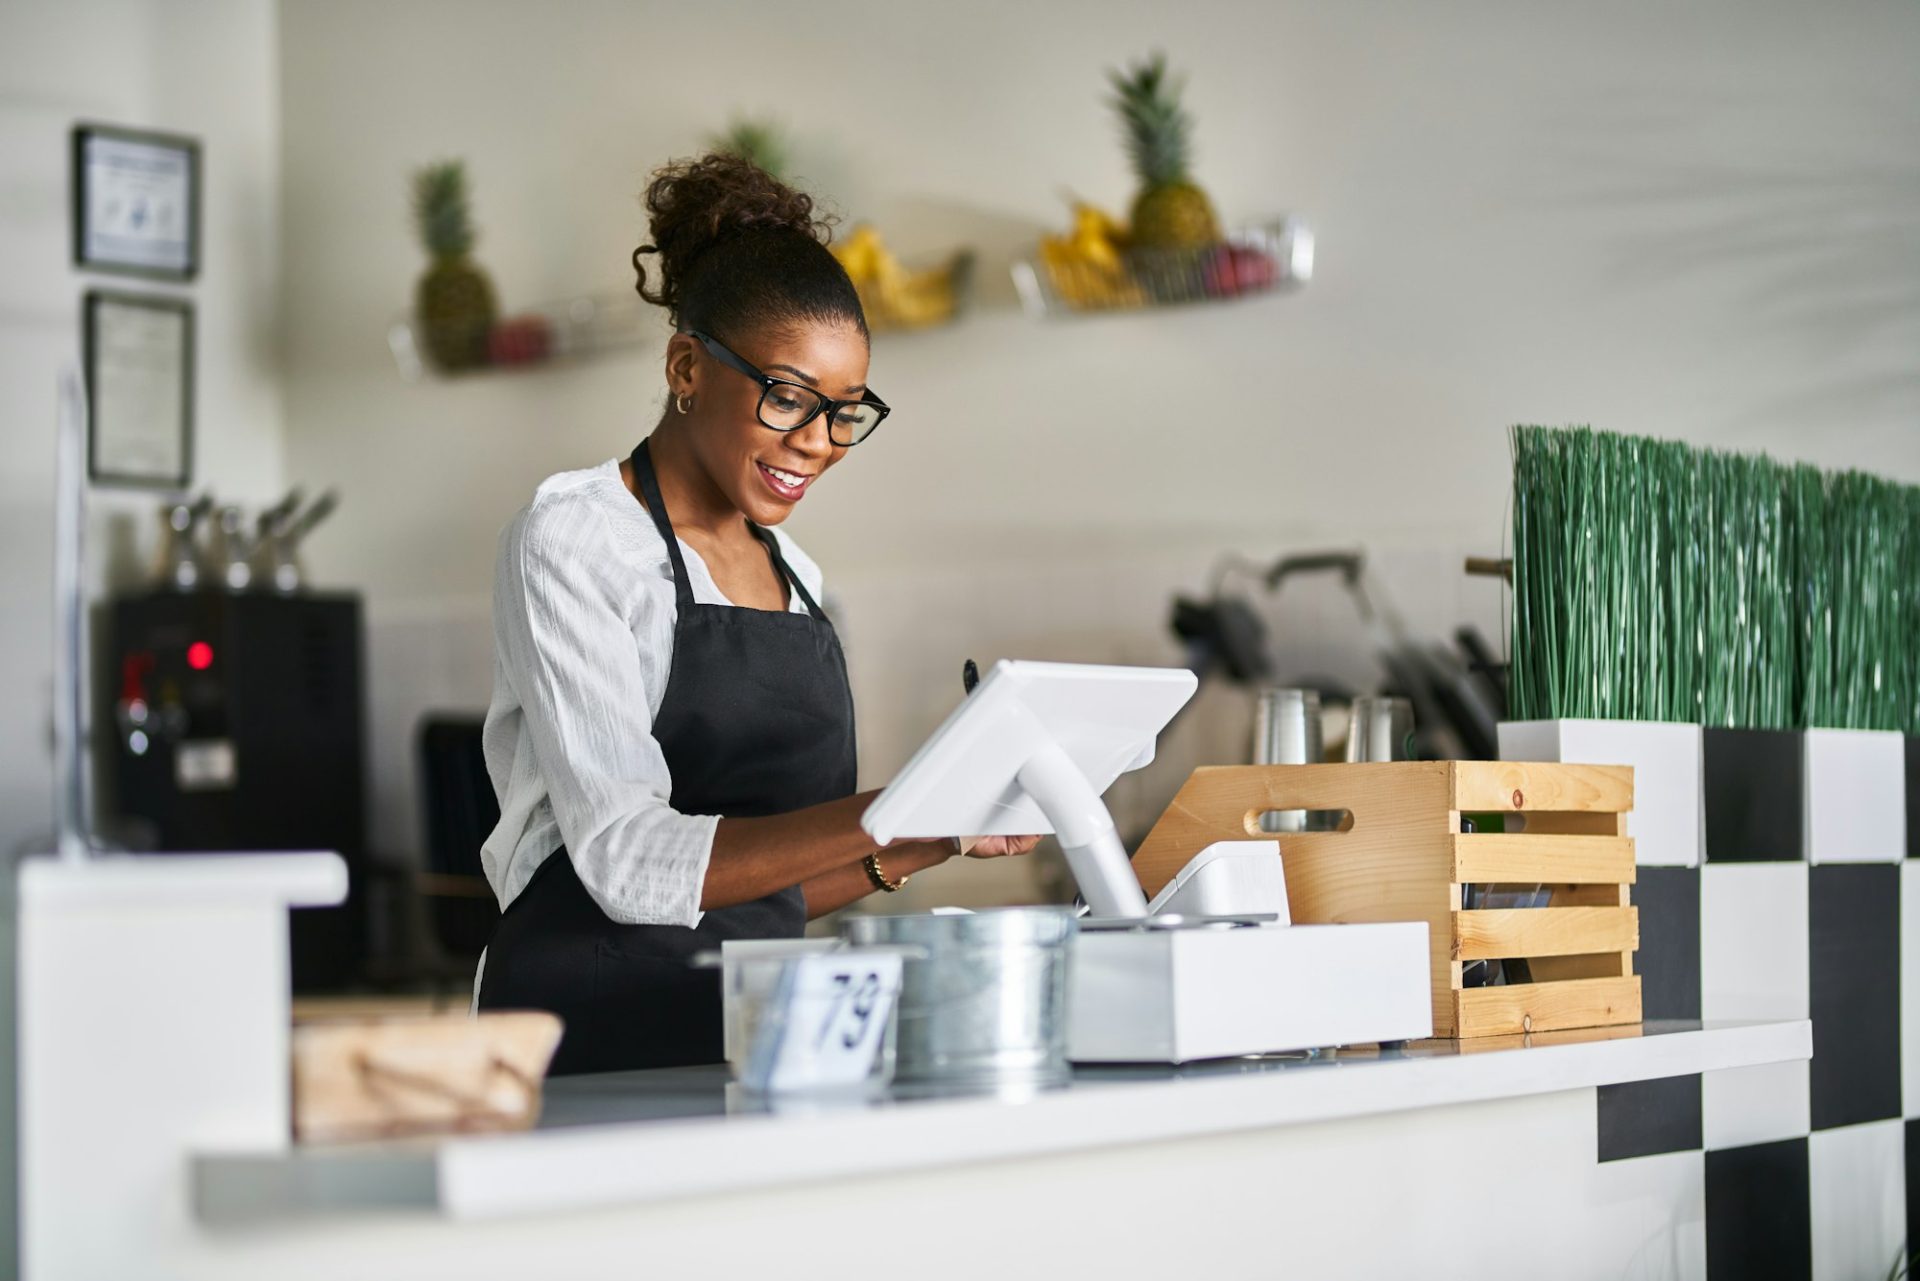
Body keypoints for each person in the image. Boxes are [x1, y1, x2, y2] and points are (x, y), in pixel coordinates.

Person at [475, 154, 1036, 1074]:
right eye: (788, 397)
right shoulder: (572, 541)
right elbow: (625, 858)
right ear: (687, 365)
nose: (817, 442)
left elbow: (767, 888)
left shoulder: (802, 577)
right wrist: (895, 807)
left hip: (755, 1026)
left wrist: (937, 829)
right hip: (584, 1029)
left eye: (845, 413)